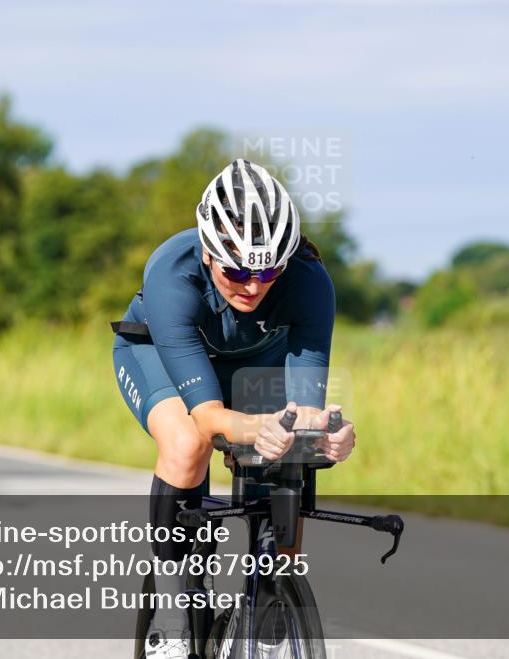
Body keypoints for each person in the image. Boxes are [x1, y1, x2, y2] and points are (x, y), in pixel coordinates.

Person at [112, 158, 356, 658]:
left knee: (290, 454)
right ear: (208, 252)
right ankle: (173, 617)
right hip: (161, 355)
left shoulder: (309, 281)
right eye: (237, 270)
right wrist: (256, 426)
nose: (253, 286)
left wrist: (331, 434)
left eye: (268, 270)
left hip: (253, 361)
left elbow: (306, 411)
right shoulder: (172, 273)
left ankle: (271, 608)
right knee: (188, 443)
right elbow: (207, 417)